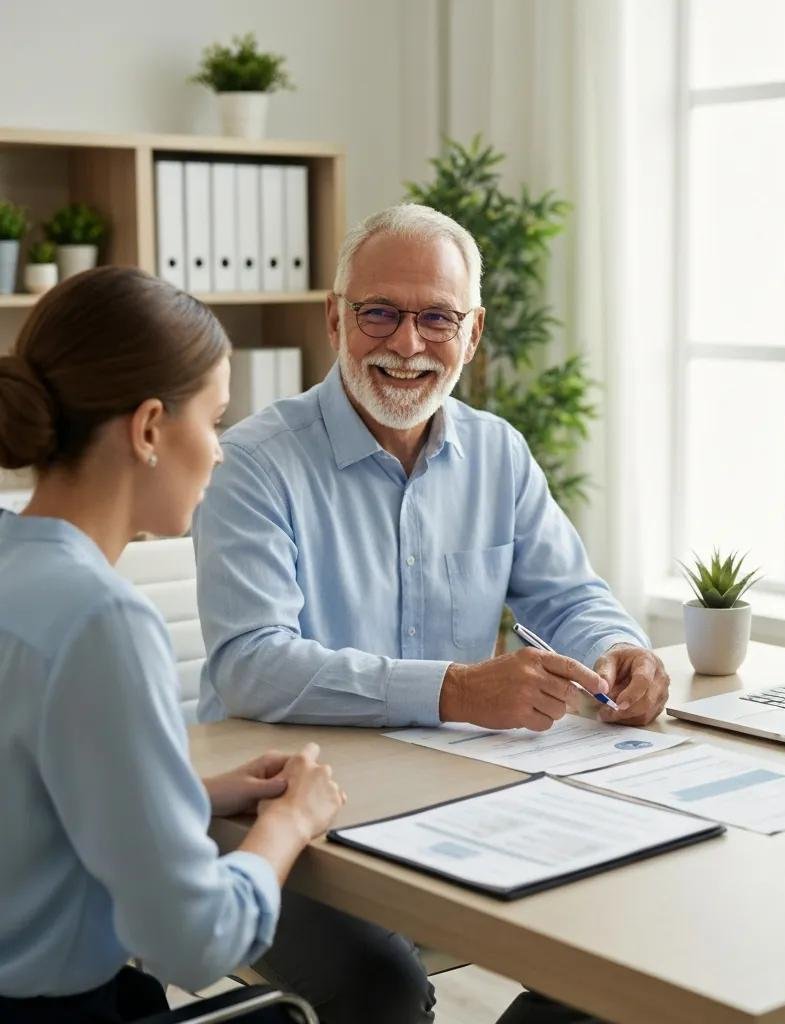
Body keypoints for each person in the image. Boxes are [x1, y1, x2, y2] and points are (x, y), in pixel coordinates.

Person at [193, 203, 671, 1022]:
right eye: (379, 312)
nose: (407, 344)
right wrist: (454, 691)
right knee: (380, 987)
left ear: (472, 332)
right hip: (285, 822)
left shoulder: (498, 453)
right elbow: (252, 664)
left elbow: (567, 595)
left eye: (436, 319)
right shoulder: (253, 465)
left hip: (456, 798)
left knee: (625, 950)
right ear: (335, 317)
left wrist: (621, 648)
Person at [0, 267, 343, 1023]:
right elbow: (196, 942)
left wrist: (190, 794)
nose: (219, 452)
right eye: (215, 420)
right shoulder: (101, 620)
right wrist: (287, 822)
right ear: (150, 427)